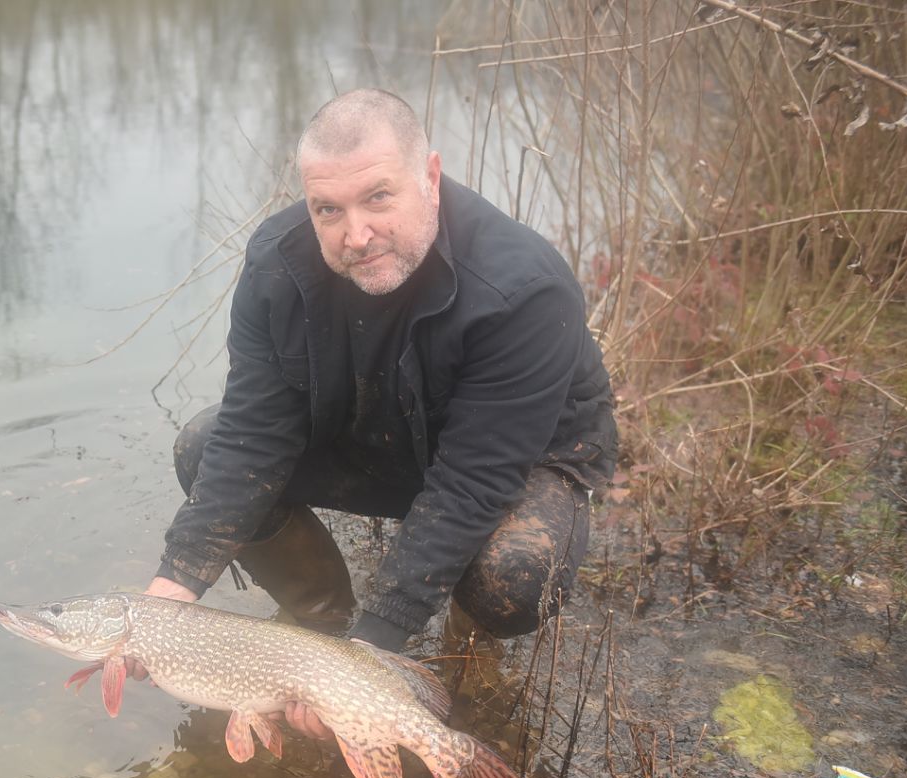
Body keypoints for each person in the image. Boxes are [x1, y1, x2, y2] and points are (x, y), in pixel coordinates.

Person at [143, 89, 617, 736]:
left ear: (430, 177)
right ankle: (321, 621)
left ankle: (466, 645)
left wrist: (369, 654)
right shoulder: (276, 265)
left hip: (520, 460)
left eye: (379, 198)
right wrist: (174, 584)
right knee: (203, 447)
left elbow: (472, 483)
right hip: (382, 440)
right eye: (328, 209)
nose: (356, 235)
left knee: (512, 576)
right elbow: (254, 431)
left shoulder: (523, 290)